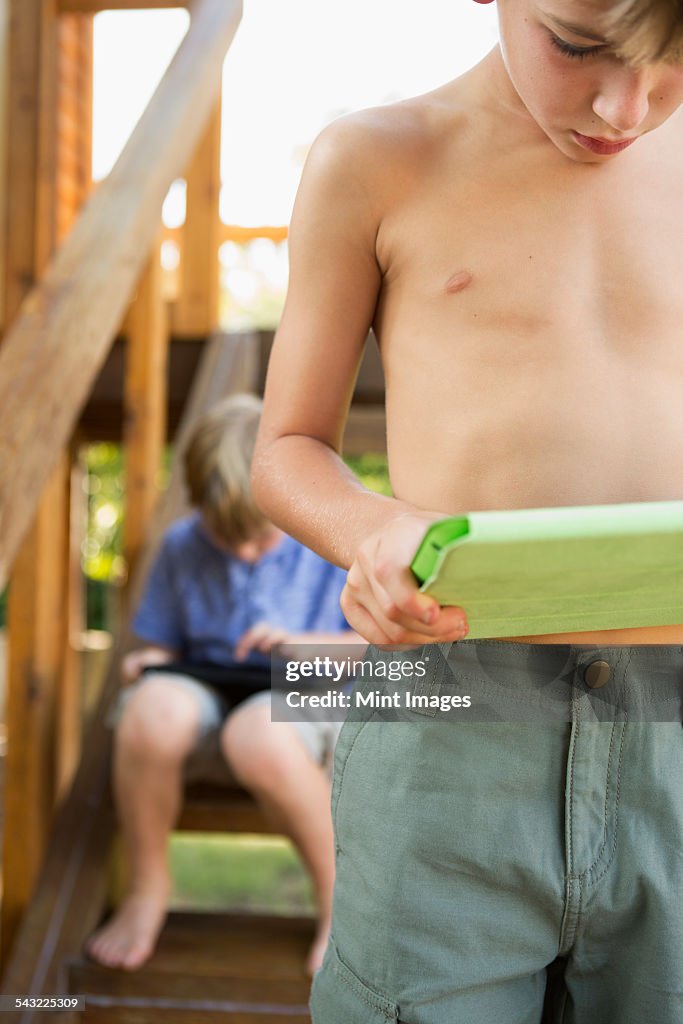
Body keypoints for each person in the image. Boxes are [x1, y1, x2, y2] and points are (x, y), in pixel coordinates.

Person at [250, 1, 683, 1021]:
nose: (622, 105)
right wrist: (371, 531)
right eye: (574, 45)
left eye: (674, 61)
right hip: (444, 711)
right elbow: (284, 448)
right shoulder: (376, 156)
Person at [86, 394, 359, 976]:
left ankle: (341, 903)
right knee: (149, 709)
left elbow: (378, 654)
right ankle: (147, 886)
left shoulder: (331, 539)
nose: (239, 552)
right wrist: (149, 664)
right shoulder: (183, 545)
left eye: (257, 539)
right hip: (205, 686)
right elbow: (161, 641)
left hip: (302, 691)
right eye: (223, 536)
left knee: (259, 733)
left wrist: (298, 644)